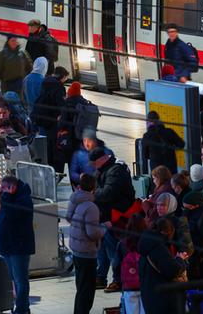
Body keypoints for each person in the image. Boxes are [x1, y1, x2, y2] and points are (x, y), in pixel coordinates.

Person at [0, 175, 35, 314]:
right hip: (8, 245)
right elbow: (3, 215)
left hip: (19, 246)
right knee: (15, 279)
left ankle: (21, 309)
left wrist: (6, 198)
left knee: (21, 280)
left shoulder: (24, 200)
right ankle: (22, 307)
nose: (1, 191)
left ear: (12, 187)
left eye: (3, 188)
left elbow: (13, 214)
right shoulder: (9, 198)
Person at [90, 146, 135, 292]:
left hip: (115, 217)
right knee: (102, 248)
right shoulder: (106, 170)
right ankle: (100, 276)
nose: (93, 166)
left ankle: (118, 280)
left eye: (94, 163)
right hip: (107, 216)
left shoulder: (115, 171)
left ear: (103, 159)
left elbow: (108, 194)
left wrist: (93, 192)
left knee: (113, 250)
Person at [67, 173, 105, 314]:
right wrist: (104, 228)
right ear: (94, 188)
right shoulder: (91, 207)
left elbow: (69, 217)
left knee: (81, 287)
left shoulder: (75, 199)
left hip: (77, 249)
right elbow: (92, 233)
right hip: (87, 252)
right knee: (87, 291)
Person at [138, 218, 188, 314]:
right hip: (163, 299)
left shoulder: (146, 245)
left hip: (150, 296)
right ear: (168, 232)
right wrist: (180, 259)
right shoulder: (158, 248)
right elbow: (173, 271)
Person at [31, 66, 69, 168]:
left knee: (45, 142)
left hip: (42, 117)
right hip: (52, 119)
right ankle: (53, 166)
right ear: (63, 76)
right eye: (66, 78)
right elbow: (60, 104)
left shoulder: (45, 83)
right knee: (53, 143)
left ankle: (46, 163)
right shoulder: (59, 87)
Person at [120, 215, 148, 314]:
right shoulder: (148, 241)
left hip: (129, 285)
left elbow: (116, 264)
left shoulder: (123, 243)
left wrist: (118, 281)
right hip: (145, 284)